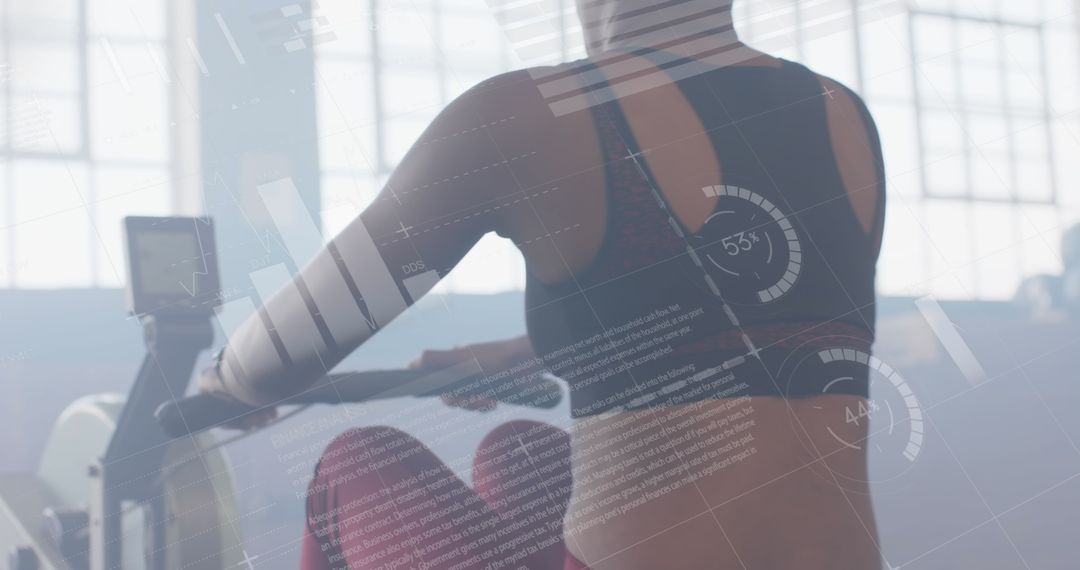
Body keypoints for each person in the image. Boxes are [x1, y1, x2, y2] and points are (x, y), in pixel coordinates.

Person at [199, 0, 887, 567]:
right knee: (519, 451)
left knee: (358, 460)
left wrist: (226, 382)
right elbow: (743, 315)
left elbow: (281, 361)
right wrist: (514, 351)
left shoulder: (528, 113)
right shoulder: (840, 111)